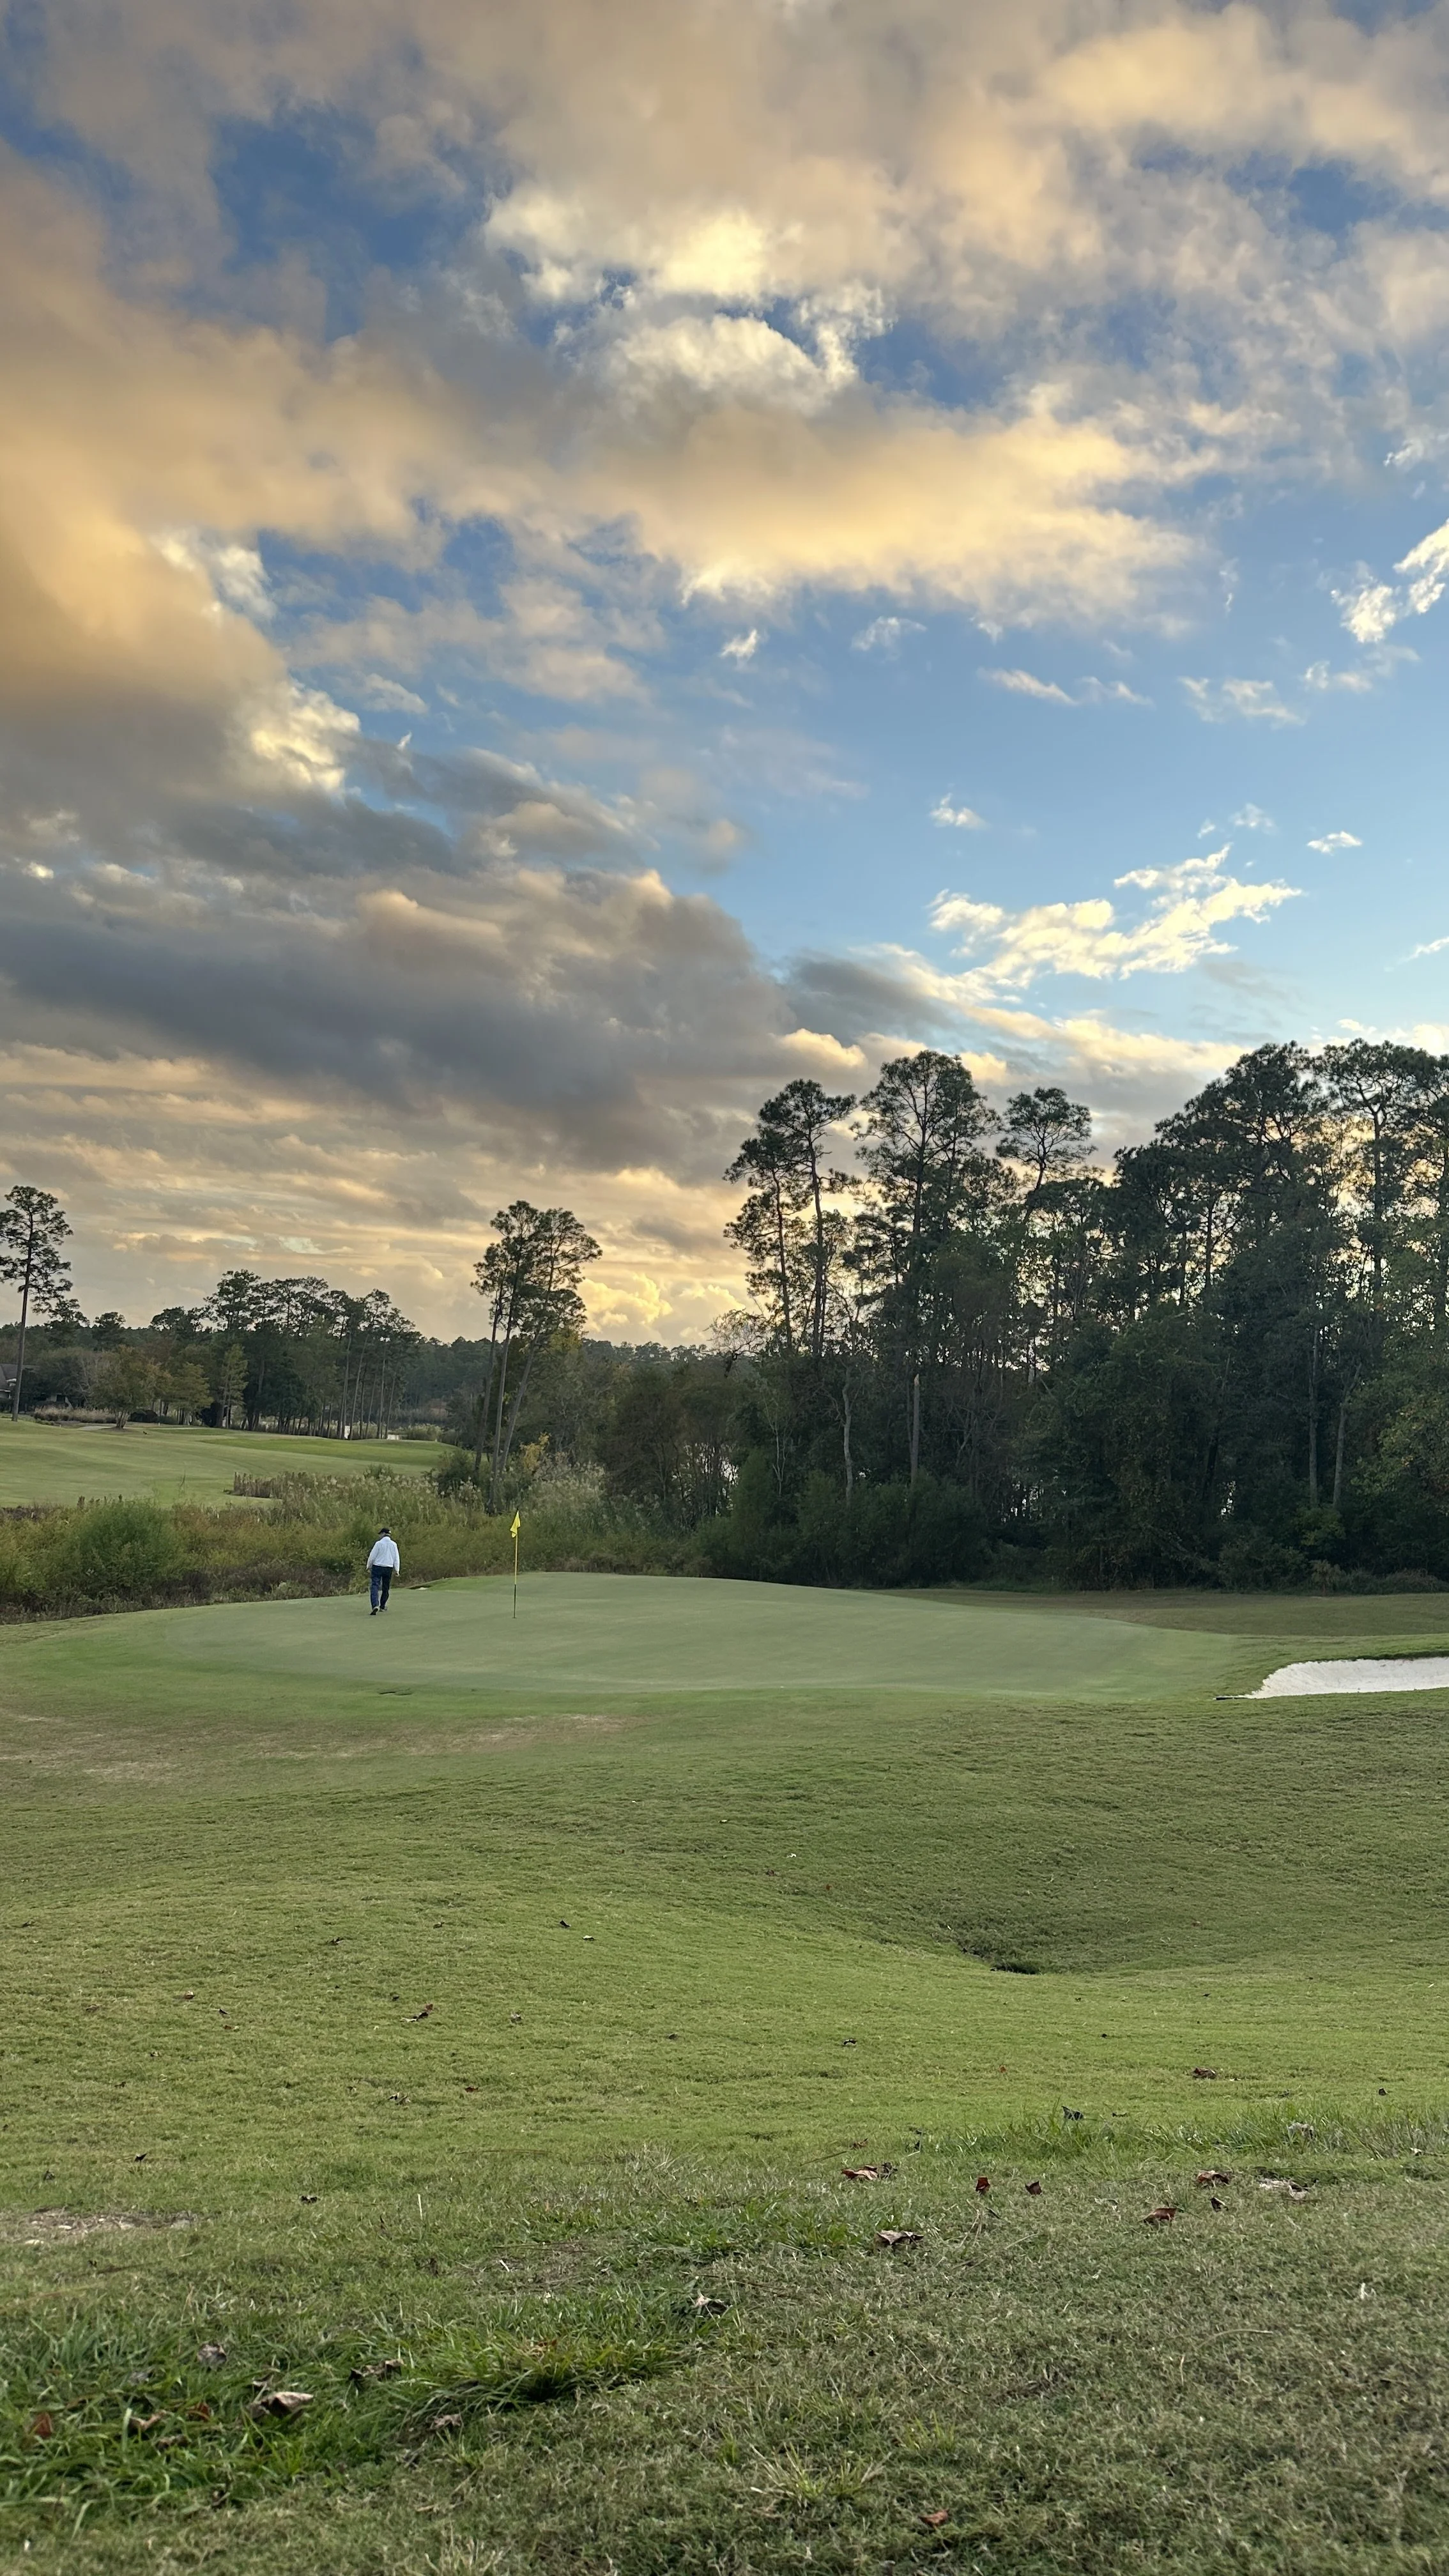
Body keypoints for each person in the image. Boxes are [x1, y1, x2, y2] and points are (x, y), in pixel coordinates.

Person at [367, 1526, 399, 1613]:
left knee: (375, 1585)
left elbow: (372, 1556)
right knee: (386, 1587)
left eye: (381, 1534)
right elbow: (396, 1558)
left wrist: (369, 1566)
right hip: (388, 1568)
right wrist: (397, 1570)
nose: (380, 1536)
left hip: (377, 1567)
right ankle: (382, 1606)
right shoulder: (394, 1544)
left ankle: (375, 1605)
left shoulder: (379, 1544)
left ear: (383, 1534)